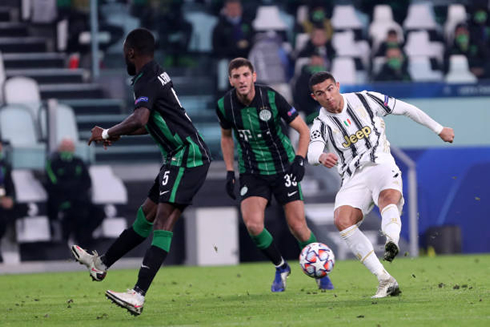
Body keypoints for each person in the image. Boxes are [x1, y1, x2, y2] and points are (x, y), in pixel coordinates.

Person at [71, 28, 211, 316]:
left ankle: (138, 294)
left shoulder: (145, 79)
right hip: (177, 155)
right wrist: (119, 134)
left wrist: (107, 131)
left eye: (124, 49)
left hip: (188, 155)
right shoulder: (154, 74)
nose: (124, 53)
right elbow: (148, 122)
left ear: (131, 51)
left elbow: (141, 117)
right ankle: (102, 264)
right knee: (146, 214)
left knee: (163, 220)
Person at [307, 71, 454, 298]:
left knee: (388, 199)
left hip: (381, 162)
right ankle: (385, 279)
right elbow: (312, 150)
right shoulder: (321, 123)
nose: (327, 96)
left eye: (329, 89)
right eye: (320, 93)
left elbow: (406, 108)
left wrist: (439, 129)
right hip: (353, 177)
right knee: (342, 221)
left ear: (337, 85)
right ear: (314, 97)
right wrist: (321, 157)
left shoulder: (365, 99)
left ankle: (391, 241)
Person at [216, 57, 334, 292]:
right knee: (253, 225)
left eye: (245, 75)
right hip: (252, 171)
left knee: (297, 226)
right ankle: (281, 267)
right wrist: (230, 171)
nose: (241, 80)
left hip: (283, 167)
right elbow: (226, 137)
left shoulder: (271, 97)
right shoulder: (224, 105)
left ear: (254, 77)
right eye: (236, 76)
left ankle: (321, 274)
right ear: (230, 80)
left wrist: (300, 160)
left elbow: (302, 130)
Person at [45, 138, 104, 248]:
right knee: (78, 213)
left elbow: (87, 182)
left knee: (99, 213)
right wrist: (74, 186)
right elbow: (55, 184)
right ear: (60, 148)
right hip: (63, 201)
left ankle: (83, 238)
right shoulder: (53, 164)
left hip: (81, 200)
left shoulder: (79, 162)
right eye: (65, 147)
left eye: (70, 147)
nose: (68, 149)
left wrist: (73, 187)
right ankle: (77, 241)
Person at [0, 141, 16, 263]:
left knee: (2, 226)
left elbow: (10, 185)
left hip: (2, 203)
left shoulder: (5, 165)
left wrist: (10, 198)